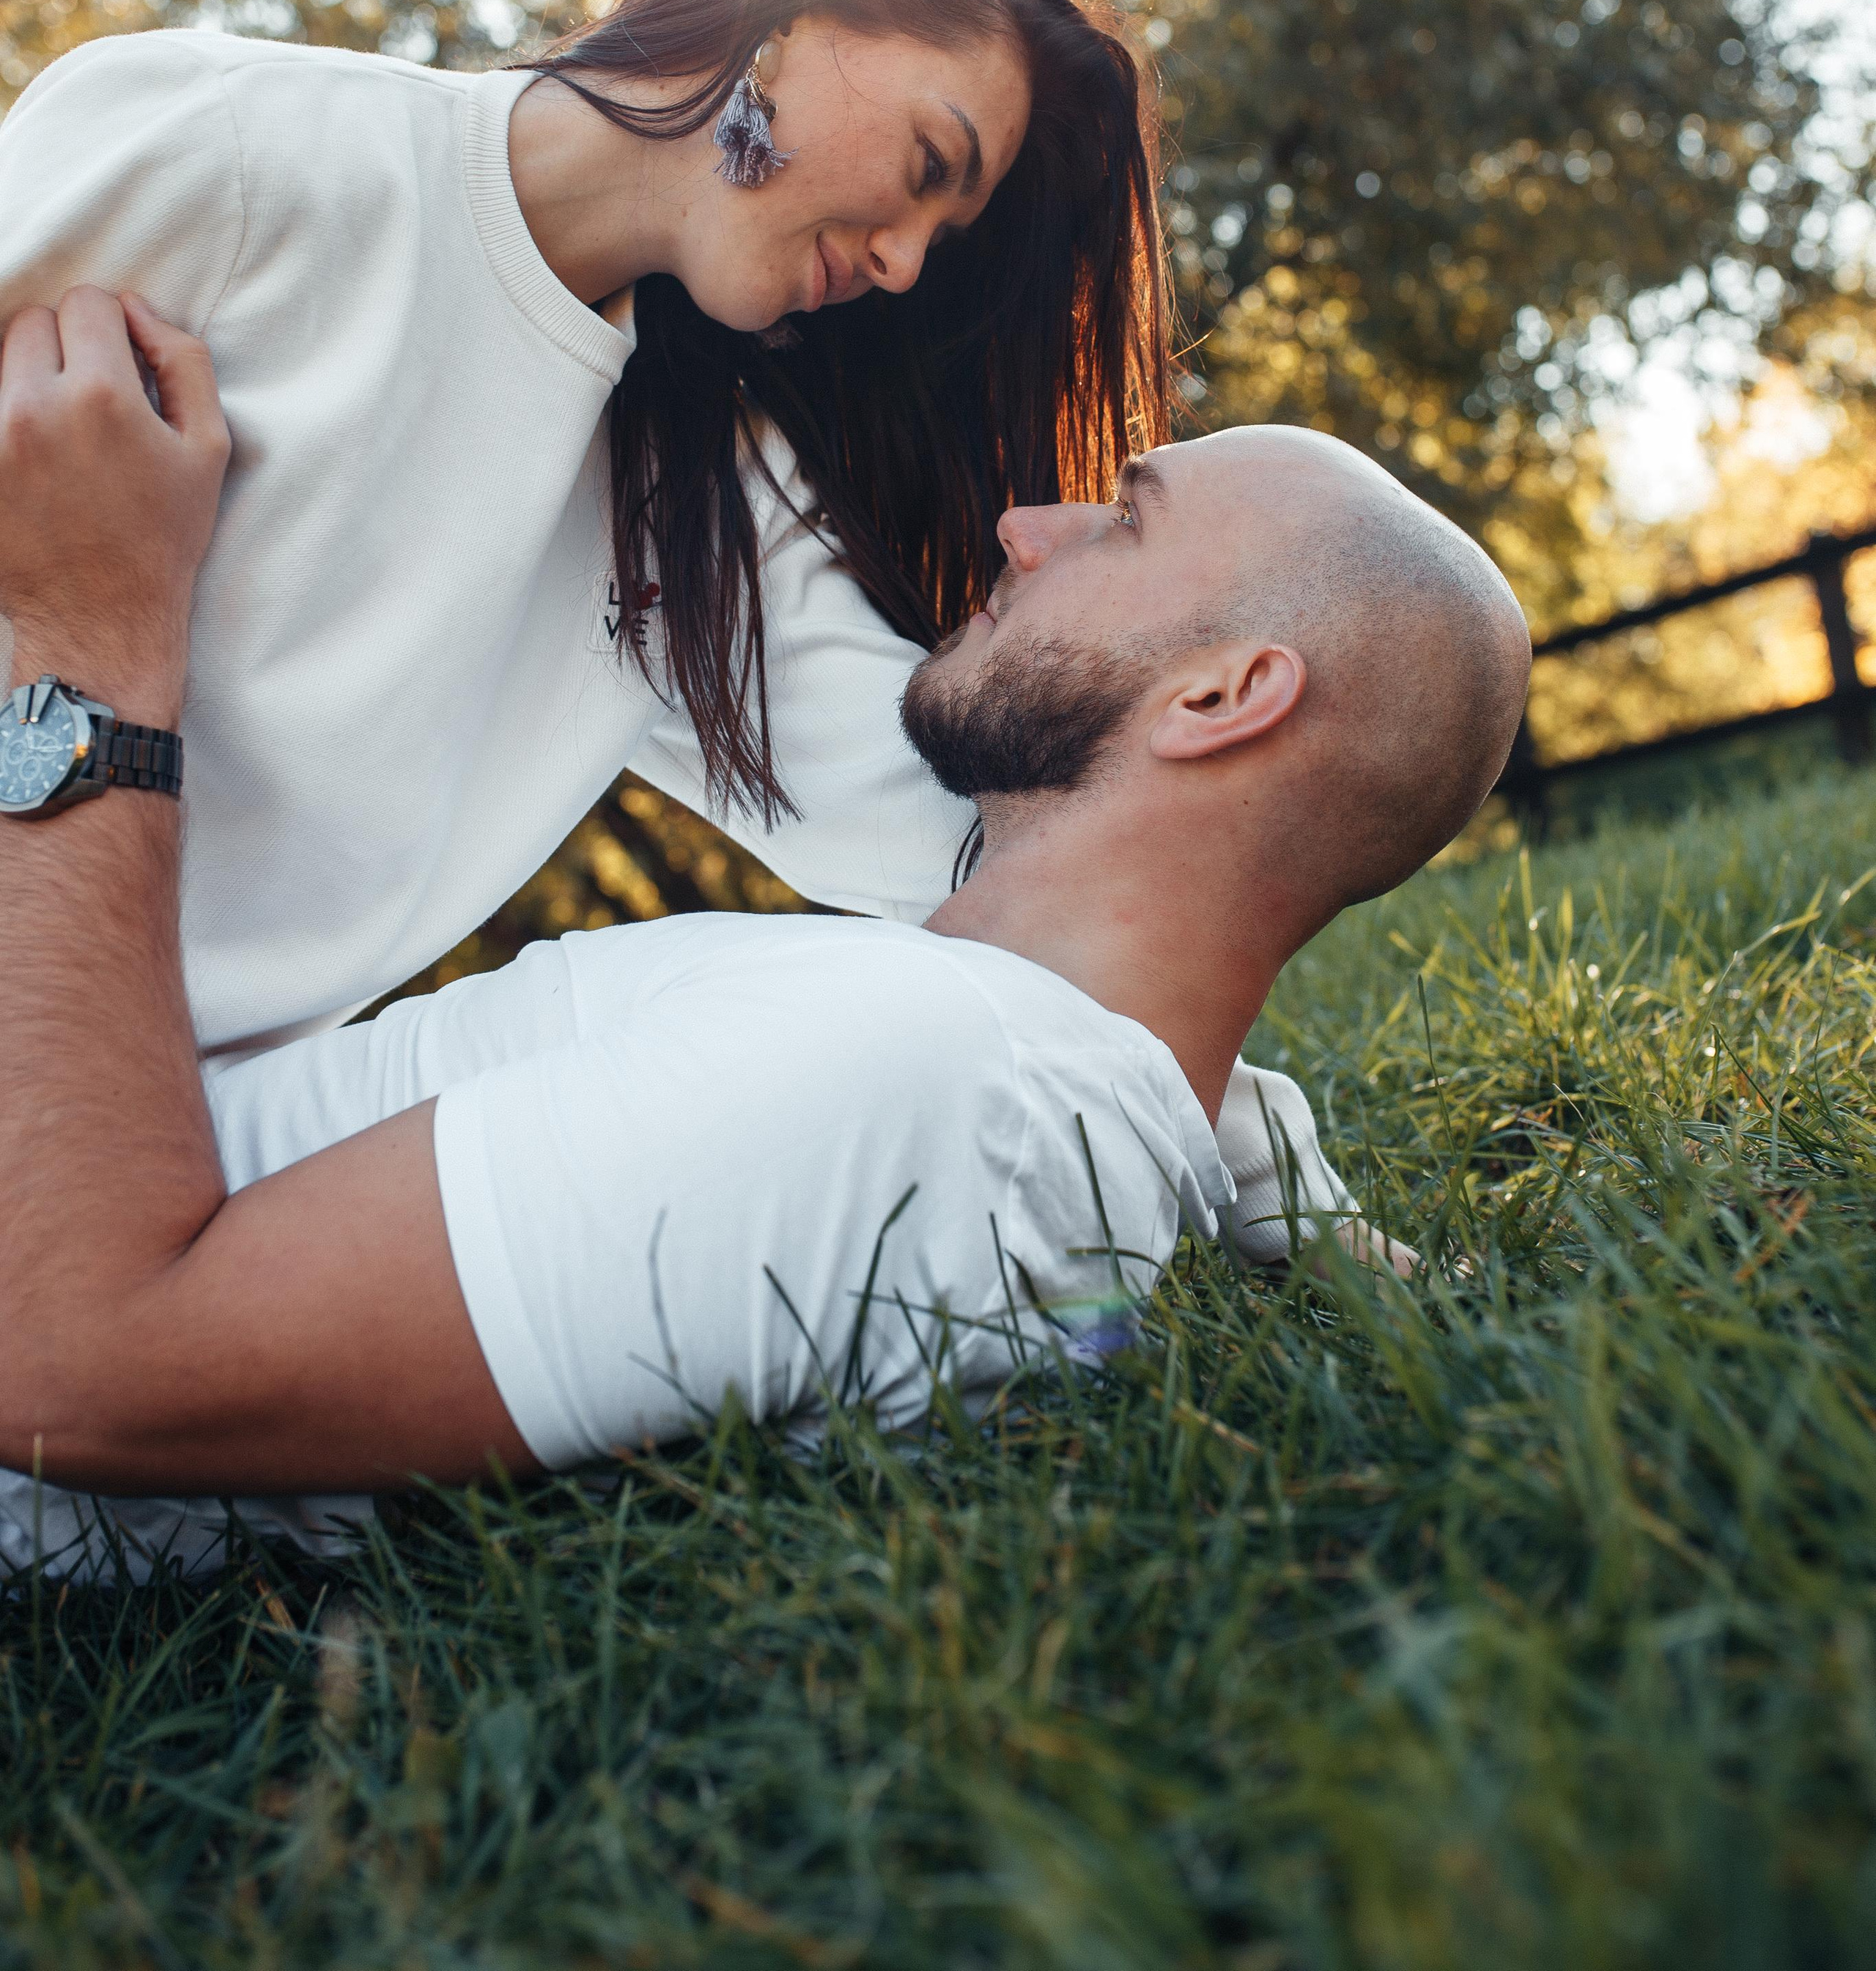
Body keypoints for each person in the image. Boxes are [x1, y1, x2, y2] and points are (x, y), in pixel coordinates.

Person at [0, 291, 1530, 1579]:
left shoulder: (939, 1074)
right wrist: (1302, 1212)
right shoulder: (1026, 1060)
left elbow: (85, 1362)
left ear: (1222, 697)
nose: (1025, 528)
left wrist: (89, 644)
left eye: (1125, 523)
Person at [0, 0, 1164, 1055]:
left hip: (183, 1119)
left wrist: (1254, 1139)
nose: (905, 266)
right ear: (788, 16)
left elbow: (969, 850)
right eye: (926, 164)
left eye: (942, 241)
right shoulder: (234, 145)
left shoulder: (702, 500)